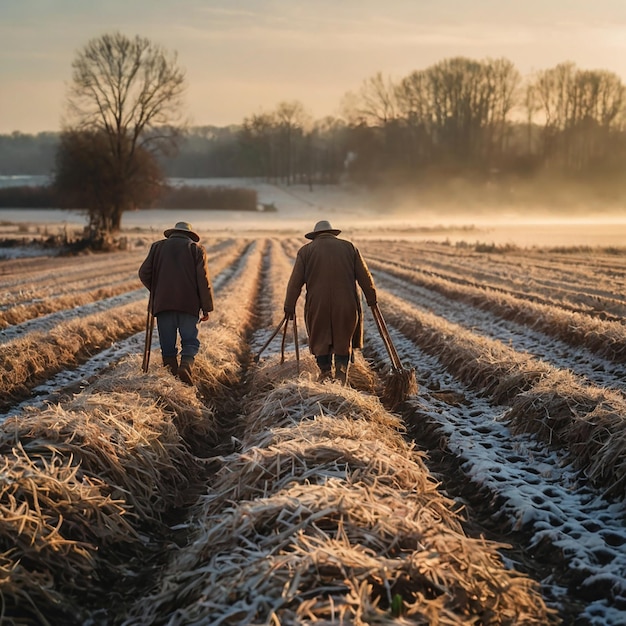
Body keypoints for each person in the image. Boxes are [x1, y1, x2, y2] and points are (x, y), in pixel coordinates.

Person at [284, 220, 377, 385]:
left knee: (320, 339)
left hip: (317, 304)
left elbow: (294, 283)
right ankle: (341, 380)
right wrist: (371, 298)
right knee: (343, 340)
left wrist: (289, 306)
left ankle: (325, 374)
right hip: (346, 303)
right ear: (333, 233)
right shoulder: (349, 248)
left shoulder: (305, 252)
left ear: (315, 236)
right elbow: (365, 276)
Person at [139, 221, 214, 385]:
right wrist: (206, 307)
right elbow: (203, 280)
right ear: (189, 236)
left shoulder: (157, 247)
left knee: (167, 344)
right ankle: (186, 367)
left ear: (173, 233)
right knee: (189, 340)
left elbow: (144, 273)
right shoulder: (196, 250)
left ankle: (171, 381)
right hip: (189, 305)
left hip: (163, 305)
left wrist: (158, 290)